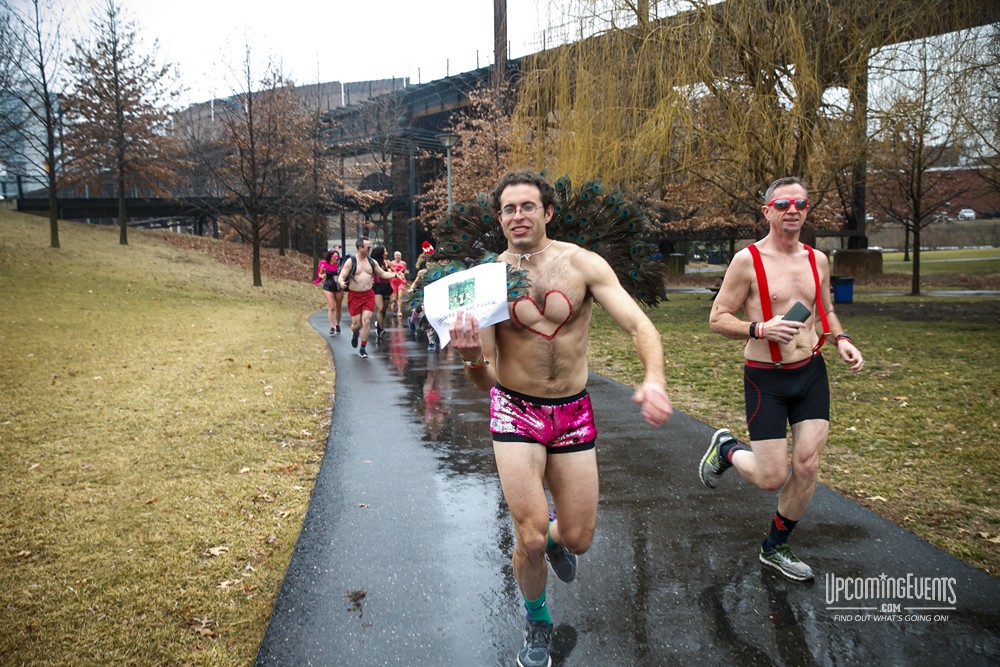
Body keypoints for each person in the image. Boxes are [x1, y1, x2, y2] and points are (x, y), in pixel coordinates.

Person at [448, 170, 673, 667]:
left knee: (578, 537)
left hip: (572, 412)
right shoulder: (487, 281)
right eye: (508, 209)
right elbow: (483, 381)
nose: (517, 216)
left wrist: (653, 378)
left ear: (547, 212)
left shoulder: (583, 263)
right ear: (499, 218)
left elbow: (639, 324)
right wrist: (468, 358)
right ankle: (537, 620)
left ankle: (555, 540)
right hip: (515, 409)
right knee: (526, 535)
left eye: (527, 206)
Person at [701, 176, 864, 582]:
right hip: (765, 379)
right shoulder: (747, 261)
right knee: (771, 476)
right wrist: (760, 329)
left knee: (807, 465)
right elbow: (717, 318)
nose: (793, 210)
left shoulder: (818, 259)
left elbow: (823, 309)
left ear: (807, 210)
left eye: (801, 203)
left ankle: (774, 547)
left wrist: (840, 337)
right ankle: (726, 450)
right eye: (784, 203)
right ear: (768, 210)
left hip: (810, 372)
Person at [338, 237, 403, 359]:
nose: (369, 248)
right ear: (360, 248)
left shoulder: (372, 262)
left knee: (367, 320)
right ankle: (355, 334)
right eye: (367, 247)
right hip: (354, 296)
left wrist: (395, 274)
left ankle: (363, 348)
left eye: (370, 246)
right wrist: (341, 282)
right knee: (356, 324)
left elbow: (382, 273)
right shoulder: (351, 261)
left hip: (368, 294)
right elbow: (342, 275)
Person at [315, 248, 343, 335]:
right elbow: (320, 273)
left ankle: (337, 325)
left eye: (337, 256)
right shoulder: (324, 264)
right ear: (330, 257)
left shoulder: (340, 265)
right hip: (328, 286)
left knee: (338, 308)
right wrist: (322, 275)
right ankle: (332, 327)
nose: (336, 258)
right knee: (331, 307)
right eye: (334, 256)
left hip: (338, 287)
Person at [370, 245, 393, 342]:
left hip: (386, 286)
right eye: (385, 251)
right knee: (379, 307)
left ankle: (379, 324)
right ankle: (380, 328)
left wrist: (391, 270)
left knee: (384, 309)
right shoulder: (373, 263)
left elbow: (392, 272)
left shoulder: (387, 262)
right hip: (377, 286)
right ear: (380, 253)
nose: (387, 253)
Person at [389, 250, 408, 317]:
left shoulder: (403, 263)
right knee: (394, 298)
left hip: (401, 281)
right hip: (394, 281)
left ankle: (399, 311)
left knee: (400, 296)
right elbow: (389, 271)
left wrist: (403, 274)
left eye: (399, 256)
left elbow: (405, 271)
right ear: (394, 256)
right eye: (396, 256)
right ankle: (394, 303)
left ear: (401, 257)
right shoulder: (391, 263)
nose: (397, 257)